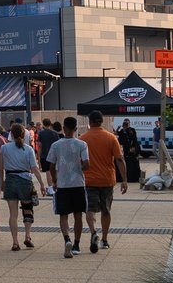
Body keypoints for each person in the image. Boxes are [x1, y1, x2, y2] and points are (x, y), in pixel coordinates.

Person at [81, 110, 128, 251]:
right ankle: (105, 239)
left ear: (89, 122)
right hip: (107, 179)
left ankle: (93, 232)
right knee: (106, 210)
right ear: (101, 121)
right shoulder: (111, 137)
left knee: (90, 209)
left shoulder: (83, 139)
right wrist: (124, 180)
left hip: (89, 180)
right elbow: (119, 159)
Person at [0, 123, 45, 250]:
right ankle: (27, 236)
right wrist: (42, 184)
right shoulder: (28, 149)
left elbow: (0, 167)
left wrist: (2, 182)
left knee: (13, 214)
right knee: (27, 209)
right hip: (25, 181)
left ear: (11, 134)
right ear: (24, 135)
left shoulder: (4, 148)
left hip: (10, 179)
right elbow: (34, 168)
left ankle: (15, 242)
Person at [48, 116, 90, 257]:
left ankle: (67, 239)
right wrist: (78, 166)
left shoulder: (56, 145)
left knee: (63, 215)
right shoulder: (82, 144)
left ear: (63, 128)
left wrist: (54, 180)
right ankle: (77, 244)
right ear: (76, 128)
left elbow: (51, 166)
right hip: (78, 183)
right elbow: (87, 165)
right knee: (78, 215)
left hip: (62, 184)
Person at [36, 118, 60, 194]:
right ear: (50, 124)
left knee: (48, 171)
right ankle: (56, 185)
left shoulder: (41, 133)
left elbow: (40, 146)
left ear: (43, 124)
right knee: (55, 171)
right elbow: (58, 145)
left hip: (44, 155)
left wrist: (38, 158)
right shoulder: (55, 133)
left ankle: (50, 188)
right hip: (54, 155)